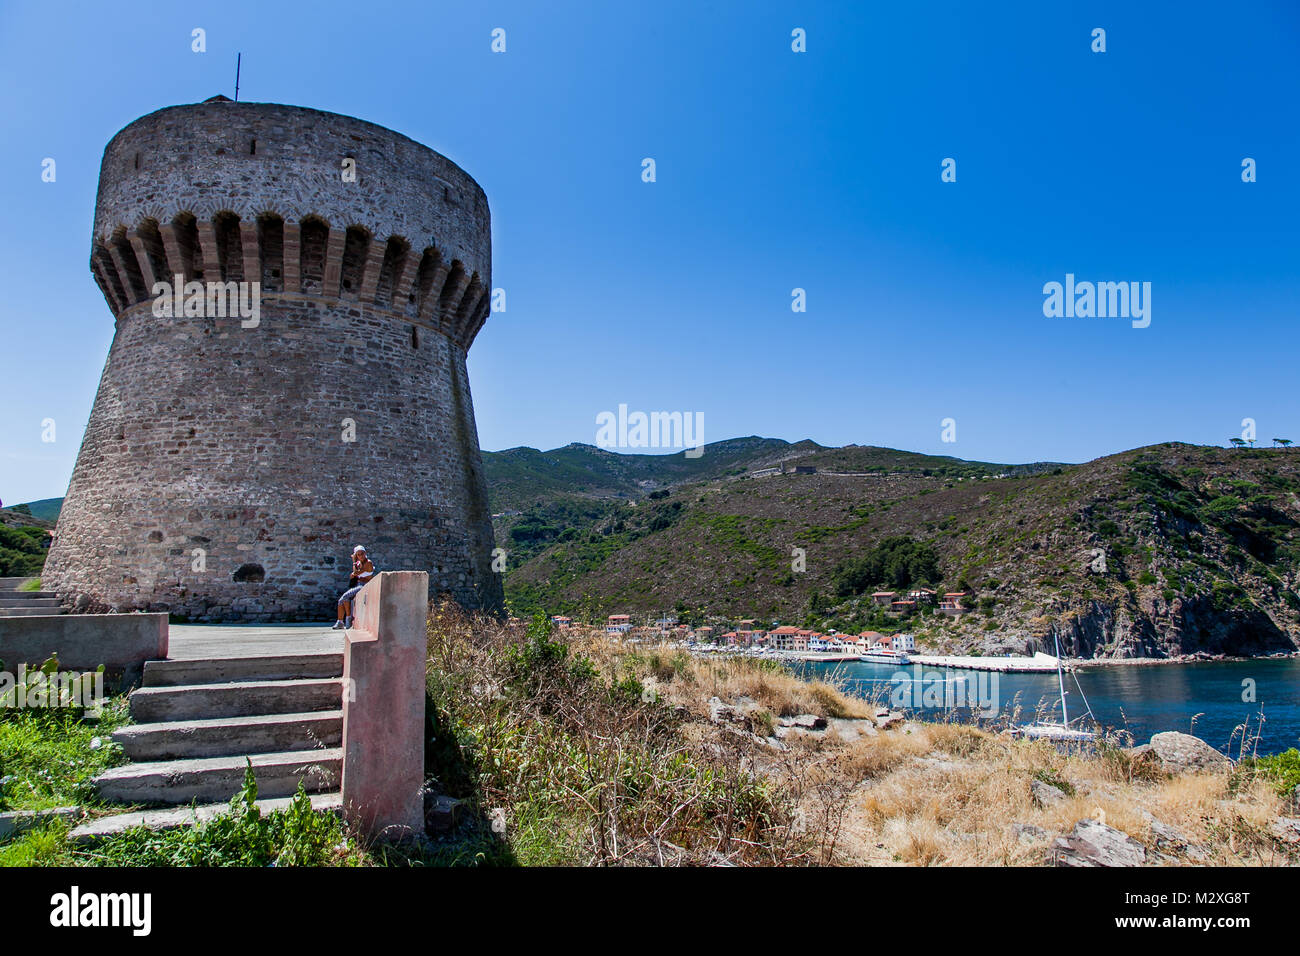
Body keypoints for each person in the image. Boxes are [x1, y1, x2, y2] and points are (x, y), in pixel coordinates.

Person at [333, 545, 377, 629]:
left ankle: (347, 619)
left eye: (362, 553)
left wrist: (353, 561)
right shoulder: (358, 563)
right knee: (342, 600)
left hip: (364, 586)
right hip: (358, 585)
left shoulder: (368, 563)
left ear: (365, 553)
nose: (361, 556)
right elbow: (353, 575)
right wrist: (354, 573)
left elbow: (356, 573)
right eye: (358, 554)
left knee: (345, 596)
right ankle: (341, 621)